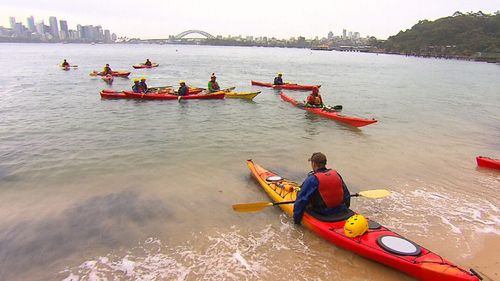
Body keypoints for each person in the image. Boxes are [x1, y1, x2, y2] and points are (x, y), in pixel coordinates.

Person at [293, 152, 351, 225]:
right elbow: (347, 195)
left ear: (313, 164)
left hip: (323, 213)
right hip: (342, 210)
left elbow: (301, 201)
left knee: (301, 196)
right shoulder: (336, 174)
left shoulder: (312, 179)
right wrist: (345, 210)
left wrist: (296, 222)